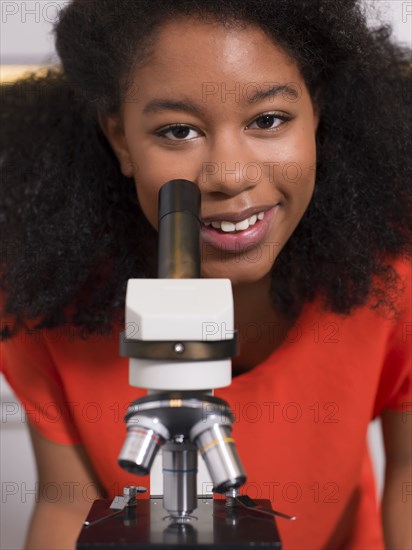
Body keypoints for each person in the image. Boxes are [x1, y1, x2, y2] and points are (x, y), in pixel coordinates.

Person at [1, 0, 411, 548]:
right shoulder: (43, 299)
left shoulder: (394, 277)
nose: (228, 175)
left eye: (268, 119)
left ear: (318, 115)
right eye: (178, 131)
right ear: (122, 138)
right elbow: (67, 500)